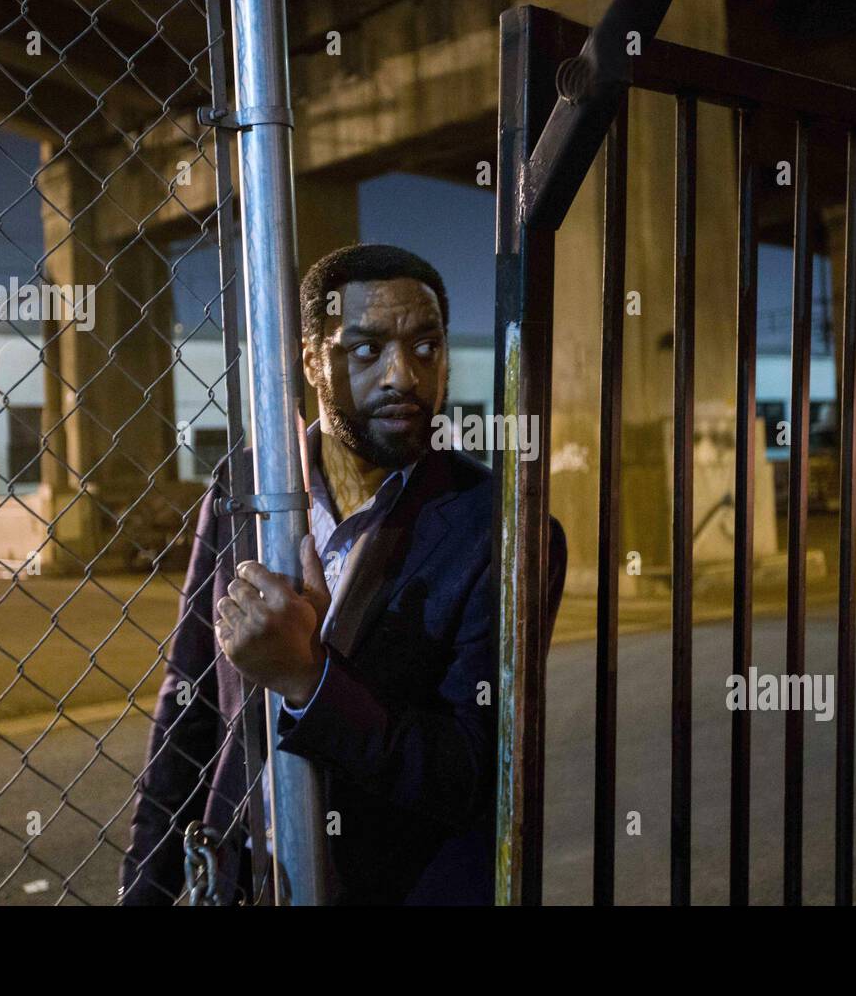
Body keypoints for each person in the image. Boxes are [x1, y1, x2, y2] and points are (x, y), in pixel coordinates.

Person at [120, 243, 566, 905]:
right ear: (310, 360)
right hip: (244, 879)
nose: (403, 376)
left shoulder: (501, 529)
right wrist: (145, 891)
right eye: (366, 349)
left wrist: (310, 679)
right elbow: (188, 711)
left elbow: (471, 773)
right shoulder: (243, 487)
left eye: (426, 346)